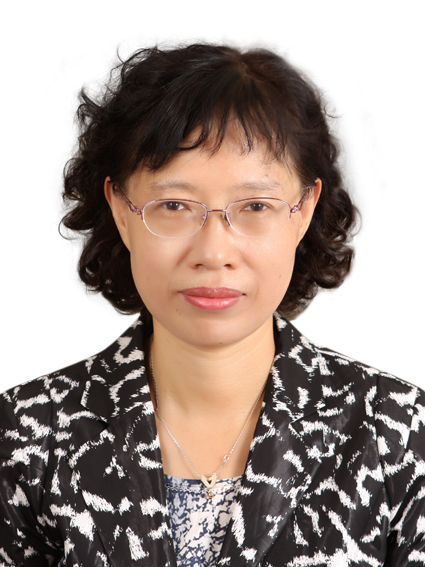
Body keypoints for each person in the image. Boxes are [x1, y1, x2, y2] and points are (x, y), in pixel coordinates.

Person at [0, 43, 424, 567]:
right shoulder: (27, 437)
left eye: (256, 206)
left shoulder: (396, 433)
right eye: (174, 205)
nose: (214, 252)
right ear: (121, 210)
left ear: (303, 211)